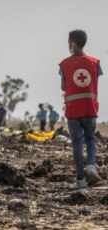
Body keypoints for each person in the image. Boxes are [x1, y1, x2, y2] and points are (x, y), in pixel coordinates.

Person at [59, 29, 103, 189]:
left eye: (69, 42)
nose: (68, 45)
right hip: (90, 107)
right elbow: (94, 80)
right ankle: (91, 166)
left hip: (73, 109)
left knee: (77, 142)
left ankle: (81, 180)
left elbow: (63, 86)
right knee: (90, 138)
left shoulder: (64, 64)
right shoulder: (95, 62)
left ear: (73, 43)